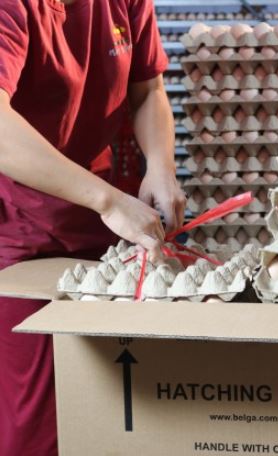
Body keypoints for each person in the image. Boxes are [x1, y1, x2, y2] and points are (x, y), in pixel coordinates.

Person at [0, 0, 186, 453]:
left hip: (100, 220)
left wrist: (161, 166)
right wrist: (107, 200)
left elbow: (148, 89)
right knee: (40, 413)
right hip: (20, 227)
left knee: (111, 400)